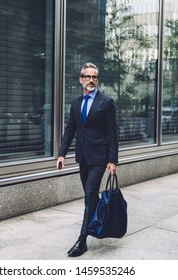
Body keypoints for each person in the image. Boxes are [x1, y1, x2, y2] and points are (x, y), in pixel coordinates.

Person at [56, 62, 118, 257]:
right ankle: (101, 219)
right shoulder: (76, 103)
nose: (91, 80)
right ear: (81, 79)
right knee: (91, 197)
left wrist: (113, 160)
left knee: (89, 196)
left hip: (100, 159)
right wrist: (61, 154)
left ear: (97, 80)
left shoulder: (106, 102)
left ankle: (82, 241)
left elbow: (112, 133)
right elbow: (70, 130)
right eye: (88, 77)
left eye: (94, 77)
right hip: (82, 158)